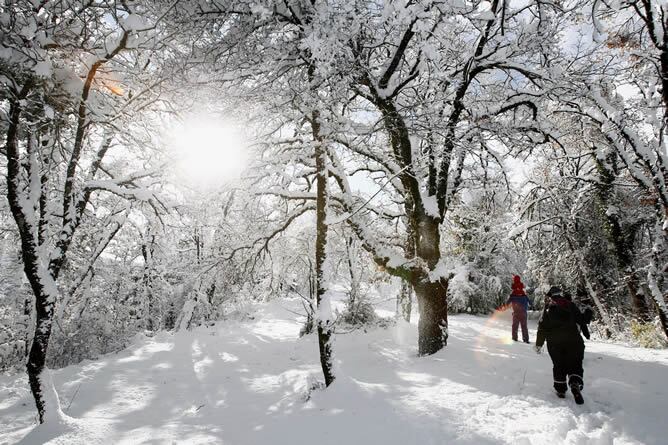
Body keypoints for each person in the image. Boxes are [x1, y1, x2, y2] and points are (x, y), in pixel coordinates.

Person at [535, 286, 592, 404]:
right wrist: (589, 313)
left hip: (555, 343)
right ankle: (575, 382)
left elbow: (542, 327)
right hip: (574, 340)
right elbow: (582, 320)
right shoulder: (570, 305)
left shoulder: (547, 309)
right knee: (575, 364)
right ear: (560, 293)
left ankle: (560, 390)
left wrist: (538, 344)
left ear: (550, 295)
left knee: (559, 365)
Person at [506, 275, 531, 343]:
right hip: (523, 312)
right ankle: (526, 339)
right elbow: (530, 302)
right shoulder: (524, 293)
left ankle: (514, 338)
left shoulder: (513, 294)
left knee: (515, 326)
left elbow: (507, 303)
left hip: (516, 312)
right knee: (524, 326)